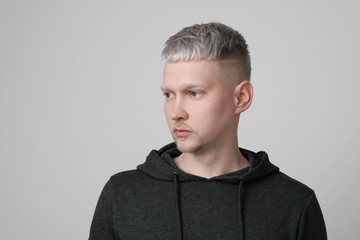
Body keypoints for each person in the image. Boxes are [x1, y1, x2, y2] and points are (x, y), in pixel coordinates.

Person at [89, 22, 327, 240]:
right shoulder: (122, 195)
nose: (175, 113)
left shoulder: (294, 202)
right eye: (168, 95)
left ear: (241, 98)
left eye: (194, 93)